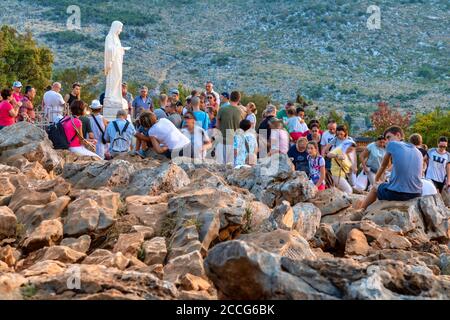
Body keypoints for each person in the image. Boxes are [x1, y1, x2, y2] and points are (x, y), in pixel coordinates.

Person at [358, 126, 423, 210]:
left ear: (398, 135)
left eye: (389, 137)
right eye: (386, 139)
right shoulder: (418, 151)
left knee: (375, 188)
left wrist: (376, 181)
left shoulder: (393, 144)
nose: (387, 142)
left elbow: (383, 166)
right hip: (417, 193)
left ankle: (360, 211)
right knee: (386, 185)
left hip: (399, 194)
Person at [216, 91, 242, 164]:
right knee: (232, 167)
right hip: (235, 142)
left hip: (224, 141)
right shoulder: (241, 111)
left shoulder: (222, 109)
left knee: (221, 166)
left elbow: (217, 126)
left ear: (229, 98)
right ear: (239, 99)